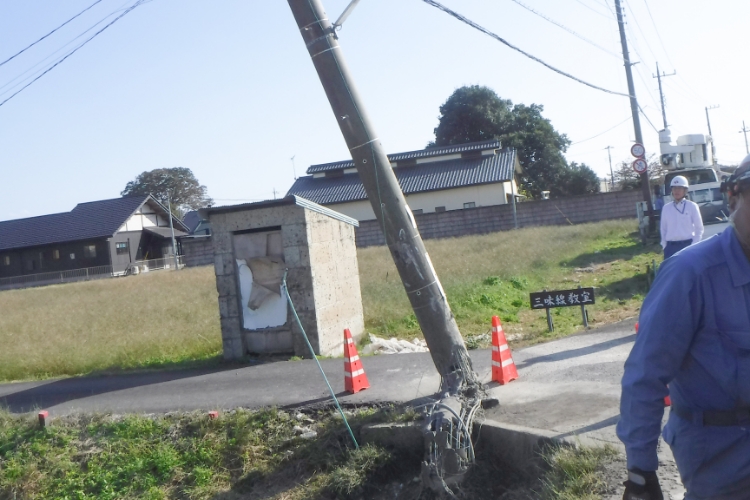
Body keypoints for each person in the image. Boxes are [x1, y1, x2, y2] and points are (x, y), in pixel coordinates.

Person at [617, 155, 750, 499]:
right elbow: (646, 375)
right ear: (733, 198)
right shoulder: (690, 274)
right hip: (722, 458)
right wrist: (640, 473)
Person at [660, 175, 704, 260]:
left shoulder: (692, 206)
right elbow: (663, 229)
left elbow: (699, 229)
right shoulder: (666, 208)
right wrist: (664, 246)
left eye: (679, 188)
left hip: (688, 245)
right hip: (671, 247)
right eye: (674, 188)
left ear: (685, 190)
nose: (676, 191)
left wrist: (694, 245)